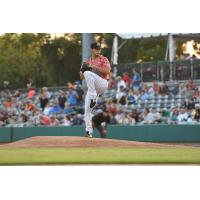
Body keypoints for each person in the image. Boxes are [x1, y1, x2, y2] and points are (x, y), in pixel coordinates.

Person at [79, 42, 111, 138]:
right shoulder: (88, 61)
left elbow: (107, 71)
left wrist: (93, 67)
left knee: (88, 73)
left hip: (102, 83)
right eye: (96, 48)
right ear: (91, 49)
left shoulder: (103, 59)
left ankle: (93, 97)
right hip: (93, 90)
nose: (98, 50)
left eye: (99, 49)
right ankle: (89, 132)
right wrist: (82, 69)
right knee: (87, 111)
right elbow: (81, 77)